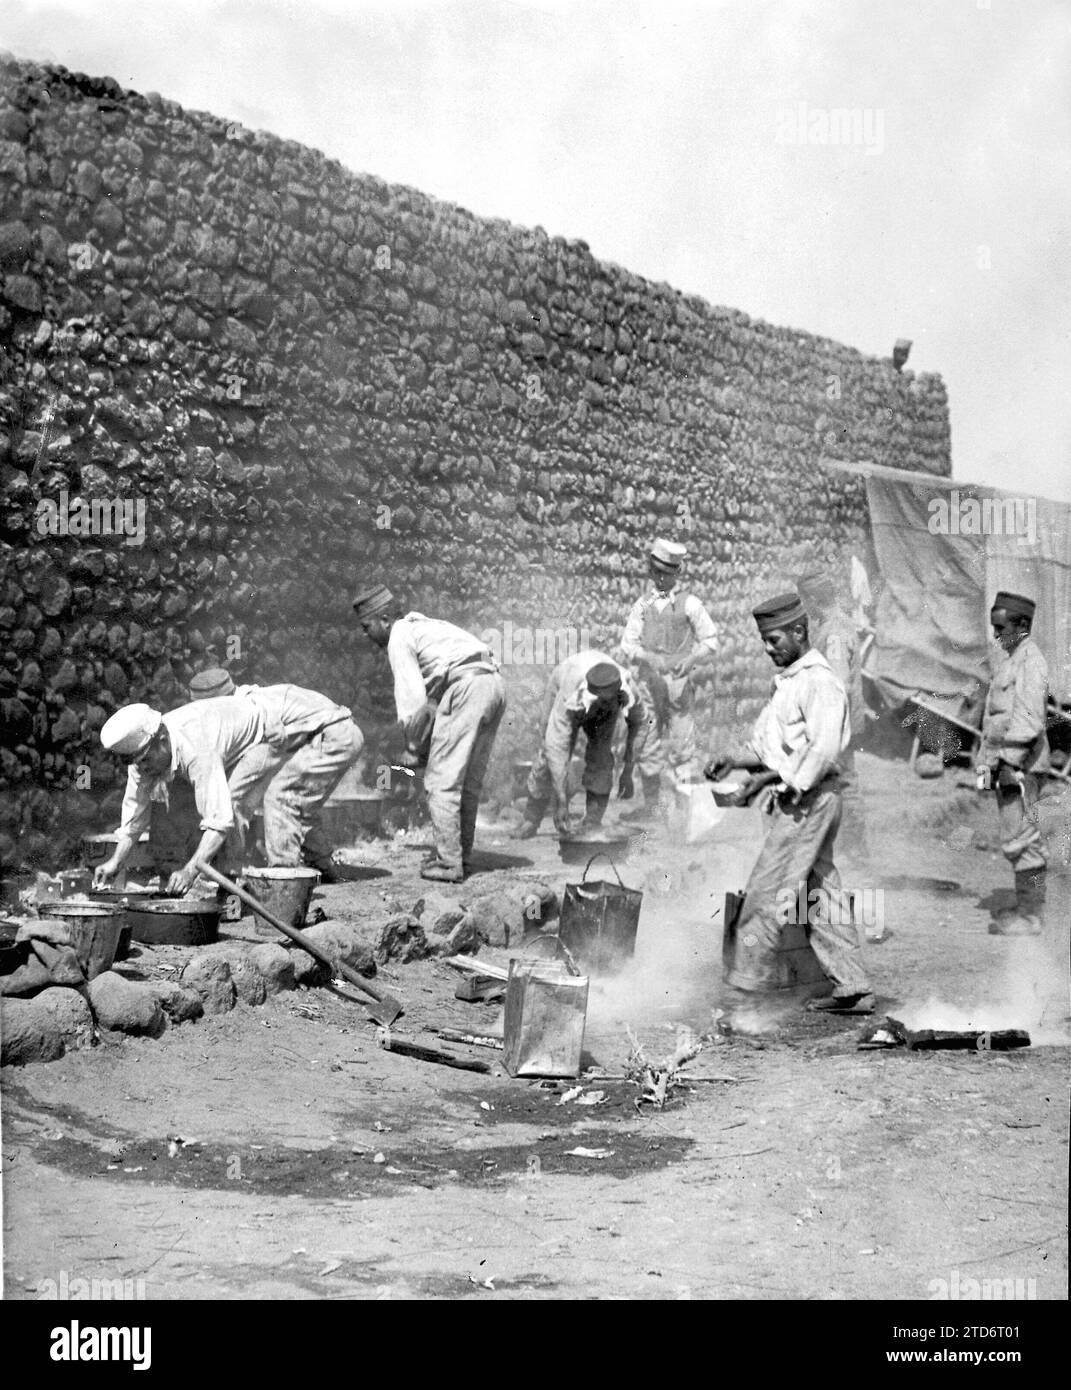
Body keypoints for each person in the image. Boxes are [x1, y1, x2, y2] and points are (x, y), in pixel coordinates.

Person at [705, 591, 874, 1020]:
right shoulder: (792, 683)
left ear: (800, 631)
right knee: (820, 891)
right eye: (764, 639)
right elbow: (778, 750)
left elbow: (822, 748)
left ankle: (746, 994)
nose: (768, 648)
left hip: (810, 799)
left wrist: (786, 781)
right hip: (804, 795)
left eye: (775, 638)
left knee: (768, 890)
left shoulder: (820, 681)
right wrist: (739, 762)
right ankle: (852, 987)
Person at [353, 584, 506, 882]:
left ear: (384, 620)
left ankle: (450, 863)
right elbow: (432, 708)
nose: (364, 634)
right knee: (467, 782)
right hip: (493, 684)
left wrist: (411, 750)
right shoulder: (423, 627)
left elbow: (412, 707)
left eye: (366, 626)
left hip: (468, 688)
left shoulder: (398, 636)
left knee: (441, 782)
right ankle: (462, 855)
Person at [93, 698, 289, 894]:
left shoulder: (197, 750)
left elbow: (220, 822)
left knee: (230, 803)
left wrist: (189, 871)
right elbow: (135, 818)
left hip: (263, 736)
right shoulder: (141, 759)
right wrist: (116, 861)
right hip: (221, 744)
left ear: (162, 742)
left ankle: (231, 886)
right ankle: (205, 877)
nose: (143, 768)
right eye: (138, 764)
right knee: (185, 805)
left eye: (146, 761)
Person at [186, 672, 365, 882]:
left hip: (333, 736)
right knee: (297, 801)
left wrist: (226, 867)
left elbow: (236, 796)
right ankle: (323, 867)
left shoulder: (250, 711)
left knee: (279, 797)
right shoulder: (254, 697)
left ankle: (284, 879)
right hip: (342, 732)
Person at [619, 537, 717, 817]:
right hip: (649, 686)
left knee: (682, 748)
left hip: (678, 687)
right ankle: (651, 807)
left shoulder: (690, 604)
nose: (660, 578)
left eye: (666, 573)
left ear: (677, 574)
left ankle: (683, 813)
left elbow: (710, 640)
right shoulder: (642, 605)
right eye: (656, 572)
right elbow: (628, 643)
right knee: (647, 743)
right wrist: (647, 657)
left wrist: (691, 659)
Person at [977, 591, 1050, 936]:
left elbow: (1029, 719)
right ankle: (1025, 907)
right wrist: (986, 766)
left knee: (1022, 838)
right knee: (1015, 835)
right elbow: (995, 720)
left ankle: (1031, 915)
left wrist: (1009, 762)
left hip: (1021, 766)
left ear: (1022, 625)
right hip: (1007, 764)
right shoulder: (1010, 659)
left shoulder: (1030, 661)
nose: (996, 635)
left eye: (1001, 627)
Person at [512, 652, 645, 838]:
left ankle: (592, 821)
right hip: (564, 683)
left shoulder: (629, 688)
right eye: (602, 701)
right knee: (547, 754)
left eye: (609, 700)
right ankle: (531, 819)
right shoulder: (570, 691)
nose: (605, 705)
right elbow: (555, 747)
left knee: (601, 756)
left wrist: (628, 770)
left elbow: (640, 725)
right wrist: (562, 800)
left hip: (603, 701)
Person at [795, 568, 870, 860]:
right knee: (840, 780)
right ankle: (846, 846)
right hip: (839, 721)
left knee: (843, 781)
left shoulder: (835, 631)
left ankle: (853, 848)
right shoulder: (835, 625)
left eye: (805, 602)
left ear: (814, 600)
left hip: (836, 722)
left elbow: (838, 682)